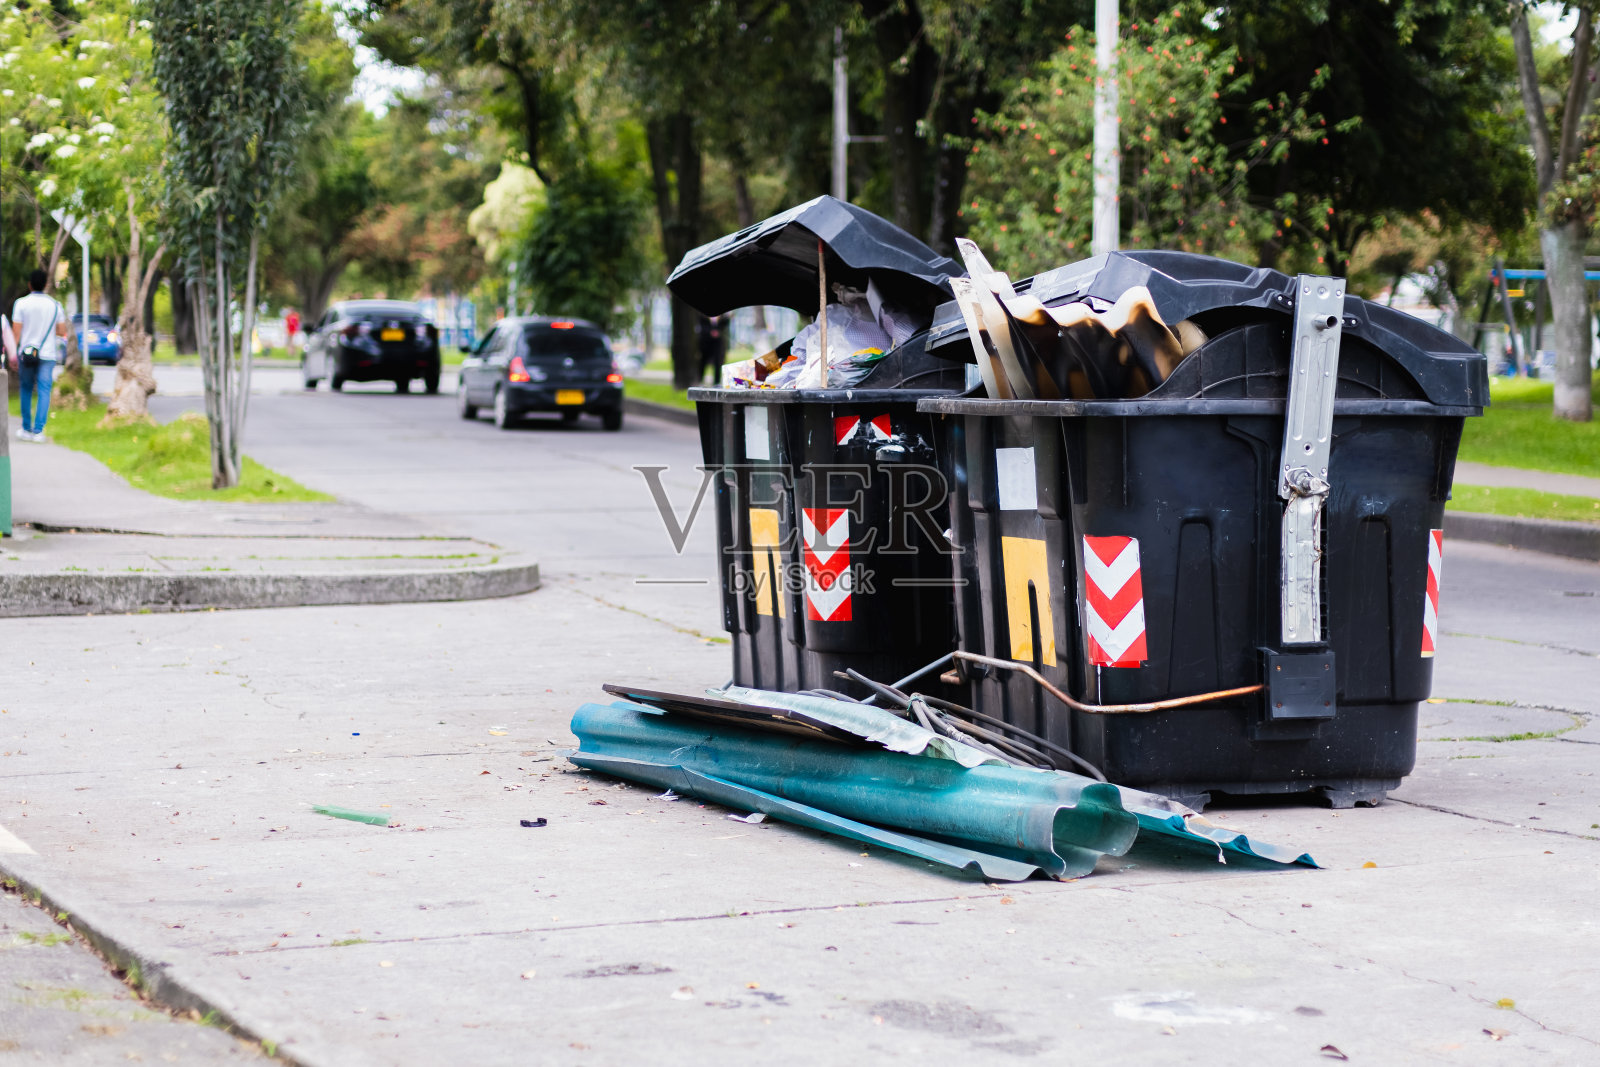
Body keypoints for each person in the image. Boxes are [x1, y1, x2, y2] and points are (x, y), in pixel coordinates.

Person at [9, 269, 69, 442]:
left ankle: (26, 428)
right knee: (44, 390)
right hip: (48, 354)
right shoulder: (55, 305)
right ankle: (38, 431)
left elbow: (16, 334)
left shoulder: (21, 303)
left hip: (26, 353)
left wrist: (13, 356)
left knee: (26, 389)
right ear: (46, 285)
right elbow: (62, 331)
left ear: (29, 285)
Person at [697, 313, 728, 384]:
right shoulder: (703, 316)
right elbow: (702, 326)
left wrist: (718, 332)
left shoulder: (722, 317)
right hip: (705, 342)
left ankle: (716, 382)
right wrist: (710, 332)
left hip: (717, 343)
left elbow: (724, 326)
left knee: (718, 362)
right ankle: (700, 381)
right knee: (703, 362)